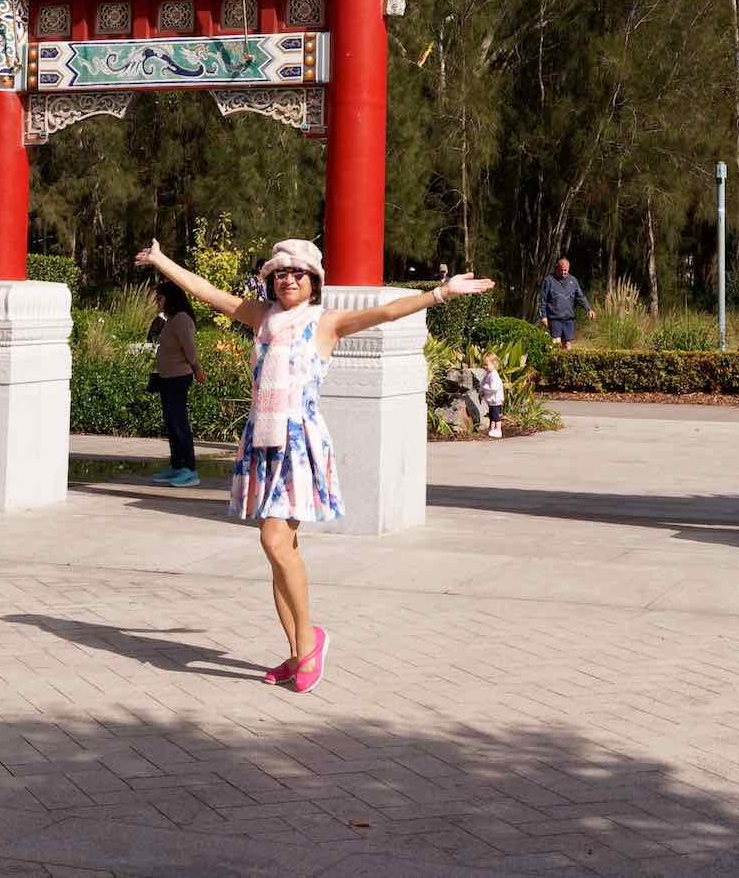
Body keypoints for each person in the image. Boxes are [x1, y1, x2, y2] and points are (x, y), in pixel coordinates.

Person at [137, 234, 492, 694]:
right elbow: (207, 292)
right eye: (281, 273)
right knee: (277, 552)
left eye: (298, 273)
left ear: (314, 282)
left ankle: (309, 643)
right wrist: (164, 260)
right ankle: (295, 651)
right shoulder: (260, 316)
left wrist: (441, 292)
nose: (288, 279)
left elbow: (385, 312)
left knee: (273, 540)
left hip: (297, 443)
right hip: (261, 441)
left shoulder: (326, 323)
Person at [147, 279, 203, 487]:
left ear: (170, 298)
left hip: (179, 378)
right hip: (167, 378)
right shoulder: (170, 319)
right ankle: (177, 465)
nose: (157, 301)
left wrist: (197, 369)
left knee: (179, 424)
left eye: (159, 297)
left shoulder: (181, 319)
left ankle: (189, 469)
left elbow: (190, 351)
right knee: (171, 423)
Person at [538, 256, 590, 349]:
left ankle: (566, 362)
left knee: (567, 345)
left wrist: (588, 309)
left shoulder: (573, 281)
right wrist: (543, 316)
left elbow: (581, 297)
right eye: (561, 270)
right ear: (557, 268)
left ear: (568, 269)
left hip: (568, 318)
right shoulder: (549, 280)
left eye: (565, 270)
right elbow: (543, 300)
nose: (563, 272)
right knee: (556, 343)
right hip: (554, 318)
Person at [480, 350, 506, 439]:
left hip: (495, 400)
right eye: (484, 365)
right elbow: (483, 383)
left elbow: (493, 388)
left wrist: (485, 388)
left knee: (496, 416)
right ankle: (492, 429)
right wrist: (482, 390)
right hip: (491, 401)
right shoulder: (488, 374)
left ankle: (498, 430)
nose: (485, 367)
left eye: (487, 365)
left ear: (494, 364)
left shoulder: (494, 375)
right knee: (492, 415)